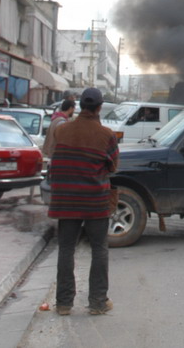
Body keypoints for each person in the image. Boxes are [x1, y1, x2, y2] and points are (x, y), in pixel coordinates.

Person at [48, 87, 119, 316]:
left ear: (80, 106)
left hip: (65, 201)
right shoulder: (106, 135)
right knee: (99, 249)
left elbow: (52, 156)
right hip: (95, 202)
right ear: (99, 107)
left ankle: (63, 304)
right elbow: (113, 166)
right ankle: (98, 302)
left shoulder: (62, 130)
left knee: (66, 249)